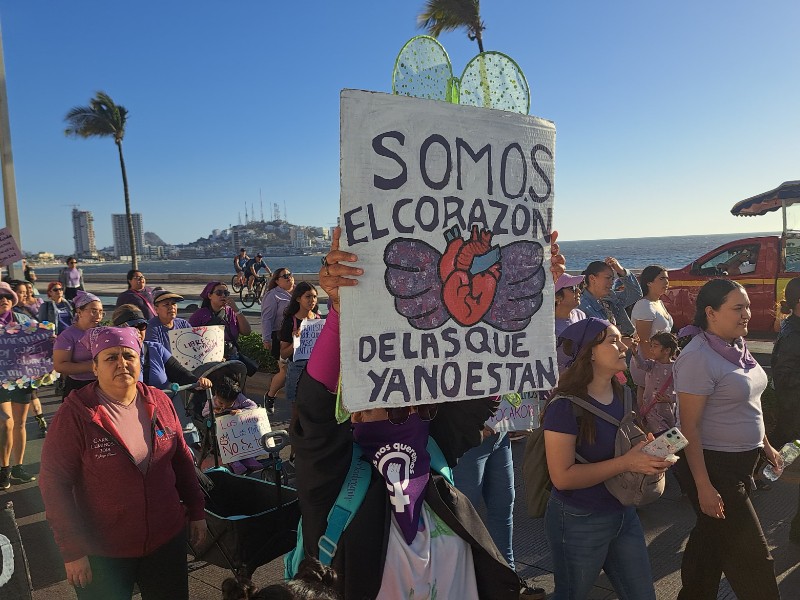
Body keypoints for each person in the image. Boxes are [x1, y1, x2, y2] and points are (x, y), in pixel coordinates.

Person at [290, 228, 520, 599]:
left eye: (421, 404)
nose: (412, 410)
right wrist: (339, 313)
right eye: (396, 407)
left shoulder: (435, 454)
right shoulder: (329, 478)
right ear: (353, 411)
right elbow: (315, 409)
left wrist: (511, 294)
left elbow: (481, 387)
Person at [39, 326, 207, 599]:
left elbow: (182, 459)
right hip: (103, 551)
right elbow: (53, 485)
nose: (122, 363)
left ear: (139, 360)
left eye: (129, 355)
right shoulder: (76, 415)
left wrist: (197, 510)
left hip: (165, 539)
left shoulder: (160, 401)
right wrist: (72, 550)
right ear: (94, 367)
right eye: (110, 357)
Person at [542, 317, 671, 600]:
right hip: (579, 518)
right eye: (613, 341)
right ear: (589, 352)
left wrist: (651, 457)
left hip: (623, 513)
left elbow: (627, 447)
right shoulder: (563, 406)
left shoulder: (623, 394)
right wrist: (628, 463)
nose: (624, 346)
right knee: (571, 595)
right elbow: (562, 478)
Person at [673, 278, 781, 599]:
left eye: (747, 305)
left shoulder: (736, 347)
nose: (747, 313)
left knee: (708, 549)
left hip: (741, 463)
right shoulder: (698, 357)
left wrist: (765, 444)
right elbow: (688, 428)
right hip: (713, 466)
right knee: (754, 559)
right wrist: (704, 486)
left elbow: (749, 402)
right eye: (738, 307)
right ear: (711, 312)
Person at [768, 276, 800, 543]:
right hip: (795, 410)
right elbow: (784, 376)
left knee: (786, 446)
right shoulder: (794, 334)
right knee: (787, 445)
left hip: (793, 412)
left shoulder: (793, 326)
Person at [0, 281, 39, 489]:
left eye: (6, 296)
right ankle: (4, 469)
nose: (3, 300)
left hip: (21, 378)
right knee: (6, 422)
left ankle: (18, 467)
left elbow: (37, 346)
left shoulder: (24, 319)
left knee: (20, 423)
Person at [200, 373, 261, 475]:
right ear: (216, 395)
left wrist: (240, 411)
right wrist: (214, 411)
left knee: (244, 440)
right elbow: (204, 413)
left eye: (228, 405)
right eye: (221, 403)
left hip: (237, 430)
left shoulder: (239, 398)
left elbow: (253, 406)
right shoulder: (212, 400)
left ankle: (248, 458)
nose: (223, 406)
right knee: (225, 442)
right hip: (221, 432)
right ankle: (234, 462)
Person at [630, 265, 673, 407]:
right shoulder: (644, 306)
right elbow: (644, 340)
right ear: (649, 282)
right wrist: (653, 365)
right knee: (647, 397)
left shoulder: (658, 302)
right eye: (661, 278)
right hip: (648, 361)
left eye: (667, 278)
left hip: (660, 360)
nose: (666, 282)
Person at [53, 291, 104, 398]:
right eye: (93, 311)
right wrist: (92, 366)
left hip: (103, 385)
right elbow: (59, 366)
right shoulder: (67, 336)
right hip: (78, 387)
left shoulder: (103, 332)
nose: (98, 316)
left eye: (101, 312)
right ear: (79, 312)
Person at [279, 282, 322, 406]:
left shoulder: (318, 319)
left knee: (315, 405)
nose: (312, 300)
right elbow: (283, 353)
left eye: (314, 297)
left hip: (316, 367)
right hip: (298, 368)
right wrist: (295, 342)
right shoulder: (290, 322)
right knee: (297, 406)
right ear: (298, 299)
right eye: (308, 297)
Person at [578, 257, 642, 340]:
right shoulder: (582, 306)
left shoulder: (611, 297)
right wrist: (621, 340)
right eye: (608, 278)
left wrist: (621, 271)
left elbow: (635, 294)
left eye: (612, 279)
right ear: (592, 278)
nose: (611, 283)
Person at [631, 331, 679, 435]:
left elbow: (683, 392)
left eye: (655, 346)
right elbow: (641, 365)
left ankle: (673, 451)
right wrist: (635, 352)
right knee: (659, 435)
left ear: (667, 350)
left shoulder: (676, 368)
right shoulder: (651, 365)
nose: (651, 349)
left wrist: (670, 398)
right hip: (651, 410)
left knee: (669, 435)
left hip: (667, 411)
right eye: (651, 346)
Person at [189, 281, 252, 360]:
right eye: (219, 293)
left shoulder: (231, 312)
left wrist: (236, 310)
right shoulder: (200, 314)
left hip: (231, 356)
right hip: (208, 358)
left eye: (226, 293)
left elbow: (247, 332)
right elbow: (189, 337)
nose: (223, 295)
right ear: (209, 295)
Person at [261, 268, 294, 413]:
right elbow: (267, 318)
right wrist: (266, 338)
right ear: (277, 280)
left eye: (290, 275)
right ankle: (270, 396)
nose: (289, 277)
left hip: (299, 336)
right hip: (280, 337)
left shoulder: (298, 293)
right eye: (285, 276)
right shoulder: (273, 296)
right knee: (285, 371)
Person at [554, 272, 587, 373]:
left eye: (578, 286)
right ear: (557, 297)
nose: (578, 290)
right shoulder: (547, 325)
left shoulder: (580, 315)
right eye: (572, 288)